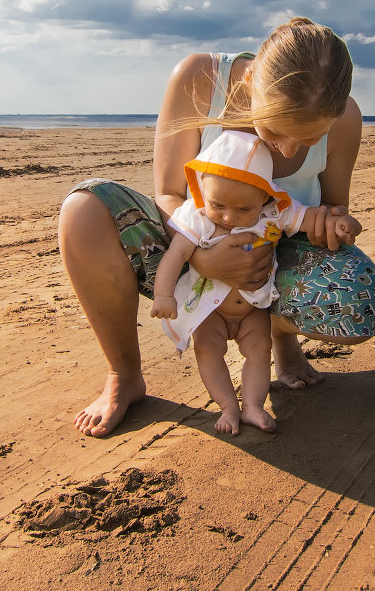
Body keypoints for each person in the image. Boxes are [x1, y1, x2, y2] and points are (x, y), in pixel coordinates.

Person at [58, 17, 375, 438]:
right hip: (192, 236)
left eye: (307, 140)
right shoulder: (200, 79)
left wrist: (337, 223)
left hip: (271, 260)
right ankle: (124, 374)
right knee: (83, 210)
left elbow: (333, 208)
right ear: (251, 81)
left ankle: (283, 340)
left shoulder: (345, 118)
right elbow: (168, 194)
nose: (288, 150)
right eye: (273, 129)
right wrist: (202, 255)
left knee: (359, 300)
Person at [150, 130, 361, 436]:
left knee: (259, 352)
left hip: (253, 309)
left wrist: (339, 223)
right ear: (203, 191)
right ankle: (227, 406)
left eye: (243, 209)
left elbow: (311, 217)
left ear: (264, 197)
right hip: (210, 311)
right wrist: (163, 294)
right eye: (218, 204)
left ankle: (252, 405)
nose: (228, 217)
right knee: (208, 352)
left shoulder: (274, 213)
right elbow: (175, 254)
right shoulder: (198, 217)